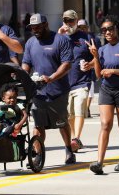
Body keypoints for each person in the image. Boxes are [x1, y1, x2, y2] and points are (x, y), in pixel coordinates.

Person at [22, 13, 76, 164]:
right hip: (38, 92)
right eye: (32, 28)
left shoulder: (60, 40)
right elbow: (26, 63)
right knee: (38, 125)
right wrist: (23, 75)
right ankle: (37, 156)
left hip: (58, 91)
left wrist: (51, 78)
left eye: (38, 27)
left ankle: (68, 150)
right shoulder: (31, 42)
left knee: (61, 123)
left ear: (46, 25)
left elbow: (67, 64)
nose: (35, 30)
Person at [87, 15, 119, 175]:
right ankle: (99, 163)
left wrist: (114, 71)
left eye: (110, 29)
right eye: (104, 30)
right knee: (105, 124)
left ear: (116, 29)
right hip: (106, 90)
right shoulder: (102, 50)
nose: (107, 32)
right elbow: (98, 75)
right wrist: (95, 57)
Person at [58, 11, 94, 152]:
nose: (69, 24)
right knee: (69, 114)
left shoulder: (85, 38)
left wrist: (89, 65)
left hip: (82, 81)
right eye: (66, 21)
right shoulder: (59, 38)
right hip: (66, 83)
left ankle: (76, 138)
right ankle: (74, 139)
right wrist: (59, 35)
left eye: (71, 21)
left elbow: (97, 58)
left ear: (76, 21)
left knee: (79, 109)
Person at [77, 19, 102, 118]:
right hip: (78, 67)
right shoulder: (74, 38)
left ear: (87, 27)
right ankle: (83, 109)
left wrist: (92, 63)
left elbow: (99, 53)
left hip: (90, 67)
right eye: (79, 27)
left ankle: (86, 108)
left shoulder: (93, 39)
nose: (82, 29)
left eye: (84, 27)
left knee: (90, 89)